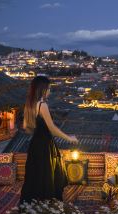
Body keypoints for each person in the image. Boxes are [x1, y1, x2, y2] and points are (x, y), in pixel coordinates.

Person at [20, 75, 78, 204]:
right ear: (42, 89)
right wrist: (69, 138)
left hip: (35, 144)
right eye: (49, 88)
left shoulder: (29, 104)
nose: (50, 91)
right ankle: (49, 206)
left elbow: (26, 127)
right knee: (48, 176)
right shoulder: (42, 105)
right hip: (45, 145)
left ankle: (34, 208)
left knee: (35, 177)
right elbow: (52, 129)